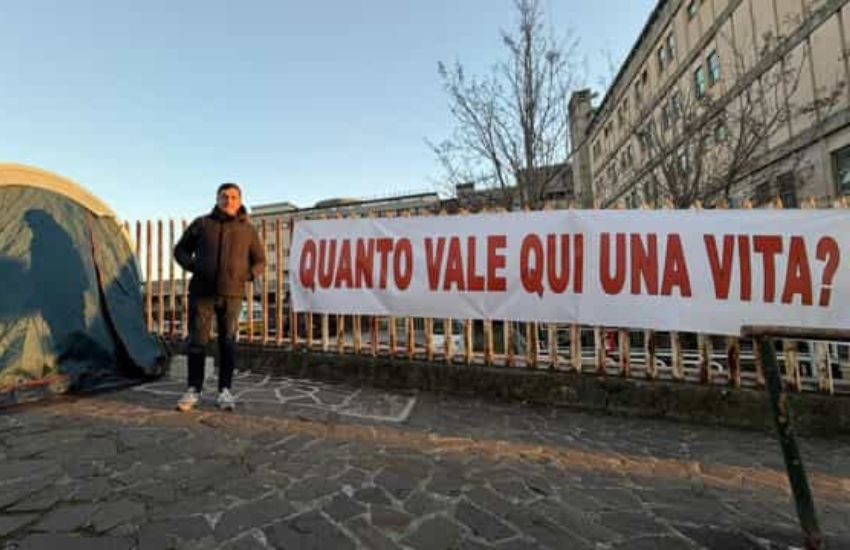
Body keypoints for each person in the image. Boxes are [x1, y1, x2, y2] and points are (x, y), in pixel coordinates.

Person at [173, 183, 265, 411]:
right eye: (224, 196)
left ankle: (225, 391)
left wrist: (247, 275)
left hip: (232, 294)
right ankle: (193, 389)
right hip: (201, 293)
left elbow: (260, 261)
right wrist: (195, 266)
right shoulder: (202, 224)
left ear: (240, 200)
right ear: (217, 199)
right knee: (197, 342)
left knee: (228, 342)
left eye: (233, 197)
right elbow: (180, 250)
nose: (229, 200)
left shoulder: (248, 230)